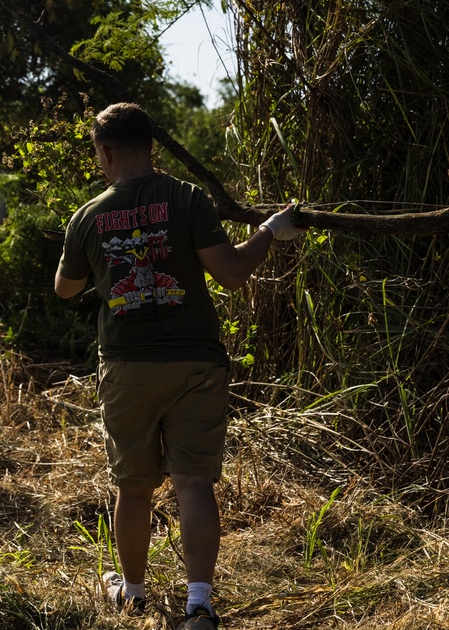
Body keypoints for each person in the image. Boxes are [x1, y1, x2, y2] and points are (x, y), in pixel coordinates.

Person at [53, 103, 304, 630]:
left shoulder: (89, 215)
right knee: (193, 483)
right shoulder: (187, 198)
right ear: (152, 146)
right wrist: (270, 230)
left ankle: (134, 595)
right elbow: (232, 272)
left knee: (134, 486)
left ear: (106, 152)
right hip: (195, 362)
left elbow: (65, 288)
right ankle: (199, 604)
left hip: (127, 366)